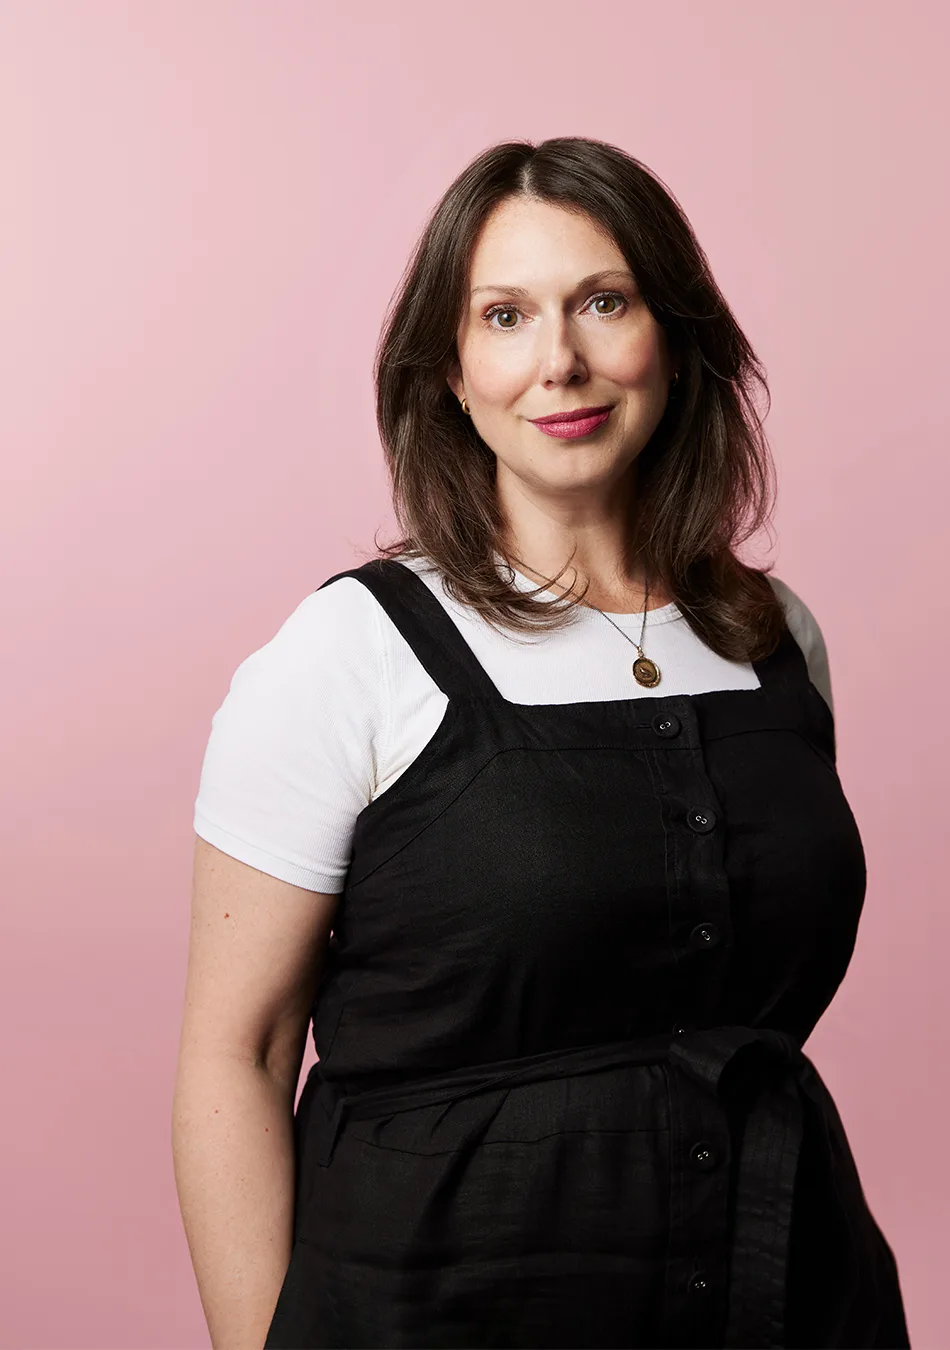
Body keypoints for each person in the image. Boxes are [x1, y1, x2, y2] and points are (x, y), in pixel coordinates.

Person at [172, 136, 911, 1349]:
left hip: (781, 1290)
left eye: (602, 303)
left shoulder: (778, 639)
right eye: (504, 316)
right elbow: (236, 1058)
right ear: (450, 372)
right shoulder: (346, 655)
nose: (558, 361)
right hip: (428, 1305)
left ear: (671, 337)